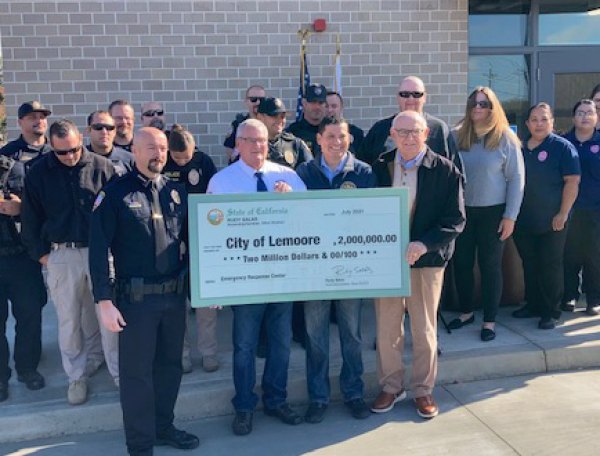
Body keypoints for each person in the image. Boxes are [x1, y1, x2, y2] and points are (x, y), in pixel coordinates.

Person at [90, 128, 199, 456]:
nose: (159, 154)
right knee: (137, 375)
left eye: (163, 148)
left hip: (173, 297)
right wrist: (104, 300)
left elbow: (192, 245)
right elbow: (98, 251)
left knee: (170, 367)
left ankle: (163, 427)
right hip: (135, 302)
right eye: (151, 147)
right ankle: (139, 444)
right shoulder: (114, 194)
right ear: (134, 151)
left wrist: (206, 289)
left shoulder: (176, 191)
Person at [207, 119, 306, 436]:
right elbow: (211, 235)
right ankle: (245, 407)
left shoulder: (288, 176)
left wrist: (291, 201)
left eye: (262, 140)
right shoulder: (222, 182)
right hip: (244, 279)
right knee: (245, 346)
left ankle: (276, 400)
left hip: (282, 276)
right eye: (250, 140)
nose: (257, 146)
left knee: (281, 345)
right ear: (237, 144)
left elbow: (309, 223)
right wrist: (216, 284)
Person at [370, 111, 465, 419]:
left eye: (415, 131)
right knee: (387, 327)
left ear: (426, 134)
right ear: (392, 135)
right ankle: (390, 386)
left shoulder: (445, 170)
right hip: (387, 261)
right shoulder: (380, 167)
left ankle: (423, 390)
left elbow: (456, 220)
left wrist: (424, 243)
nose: (409, 137)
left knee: (423, 328)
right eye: (402, 132)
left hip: (426, 260)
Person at [20, 119, 116, 404]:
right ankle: (76, 377)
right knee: (69, 321)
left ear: (80, 140)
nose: (70, 156)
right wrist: (43, 256)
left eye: (74, 149)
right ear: (51, 146)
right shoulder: (38, 173)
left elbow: (116, 214)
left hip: (100, 252)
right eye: (62, 152)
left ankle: (119, 373)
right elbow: (30, 219)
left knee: (108, 317)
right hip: (61, 254)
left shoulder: (102, 167)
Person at [295, 116, 376, 423]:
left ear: (349, 138)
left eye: (342, 136)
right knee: (315, 336)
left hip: (349, 266)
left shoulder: (364, 172)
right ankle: (318, 397)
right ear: (318, 139)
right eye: (330, 136)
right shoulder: (303, 173)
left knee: (351, 335)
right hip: (314, 269)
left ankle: (354, 393)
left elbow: (371, 217)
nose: (337, 142)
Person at [447, 87, 524, 341]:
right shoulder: (457, 136)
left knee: (491, 267)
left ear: (494, 107)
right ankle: (466, 311)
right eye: (474, 103)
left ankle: (489, 321)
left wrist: (510, 215)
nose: (478, 108)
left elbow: (516, 179)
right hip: (462, 212)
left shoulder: (505, 138)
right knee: (462, 264)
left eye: (484, 103)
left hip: (494, 213)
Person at [512, 103, 581, 330]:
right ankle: (533, 304)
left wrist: (563, 213)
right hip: (524, 220)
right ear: (527, 124)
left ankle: (551, 311)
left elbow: (572, 181)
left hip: (553, 220)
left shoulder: (562, 147)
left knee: (550, 265)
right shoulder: (520, 148)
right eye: (534, 119)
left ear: (552, 121)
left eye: (543, 119)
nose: (538, 124)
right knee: (530, 264)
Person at [0, 101, 52, 402]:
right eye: (32, 118)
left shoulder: (55, 157)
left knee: (30, 314)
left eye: (42, 118)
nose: (38, 122)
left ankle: (27, 368)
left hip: (27, 252)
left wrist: (22, 209)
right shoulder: (6, 157)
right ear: (19, 122)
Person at [163, 124, 219, 373]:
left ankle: (209, 352)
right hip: (171, 240)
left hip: (201, 238)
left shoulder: (204, 162)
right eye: (178, 158)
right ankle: (182, 354)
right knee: (178, 304)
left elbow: (215, 199)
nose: (182, 161)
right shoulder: (163, 163)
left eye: (186, 157)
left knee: (206, 303)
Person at [358, 76, 456, 165]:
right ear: (398, 97)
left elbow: (454, 173)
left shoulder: (439, 129)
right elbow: (364, 170)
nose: (410, 99)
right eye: (404, 94)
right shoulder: (380, 129)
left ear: (425, 97)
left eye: (417, 94)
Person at [561, 100, 600, 315]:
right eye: (580, 113)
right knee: (570, 255)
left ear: (596, 117)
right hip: (569, 210)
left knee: (594, 256)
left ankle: (594, 299)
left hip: (596, 210)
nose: (585, 116)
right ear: (573, 117)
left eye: (589, 113)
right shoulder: (564, 143)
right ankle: (570, 296)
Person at [255, 97, 313, 169]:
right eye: (274, 116)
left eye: (282, 116)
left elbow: (310, 171)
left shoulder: (295, 144)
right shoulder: (251, 144)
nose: (279, 120)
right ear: (260, 117)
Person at [224, 85, 266, 162]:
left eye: (262, 100)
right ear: (246, 101)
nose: (258, 102)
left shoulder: (269, 123)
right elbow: (229, 150)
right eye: (253, 99)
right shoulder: (238, 124)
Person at [86, 110, 134, 176]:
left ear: (114, 131)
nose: (104, 132)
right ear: (89, 130)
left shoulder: (129, 160)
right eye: (98, 127)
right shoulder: (79, 159)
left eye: (109, 128)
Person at [287, 83, 328, 155]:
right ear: (304, 103)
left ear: (325, 105)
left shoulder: (331, 131)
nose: (317, 107)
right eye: (313, 102)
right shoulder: (292, 132)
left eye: (321, 103)